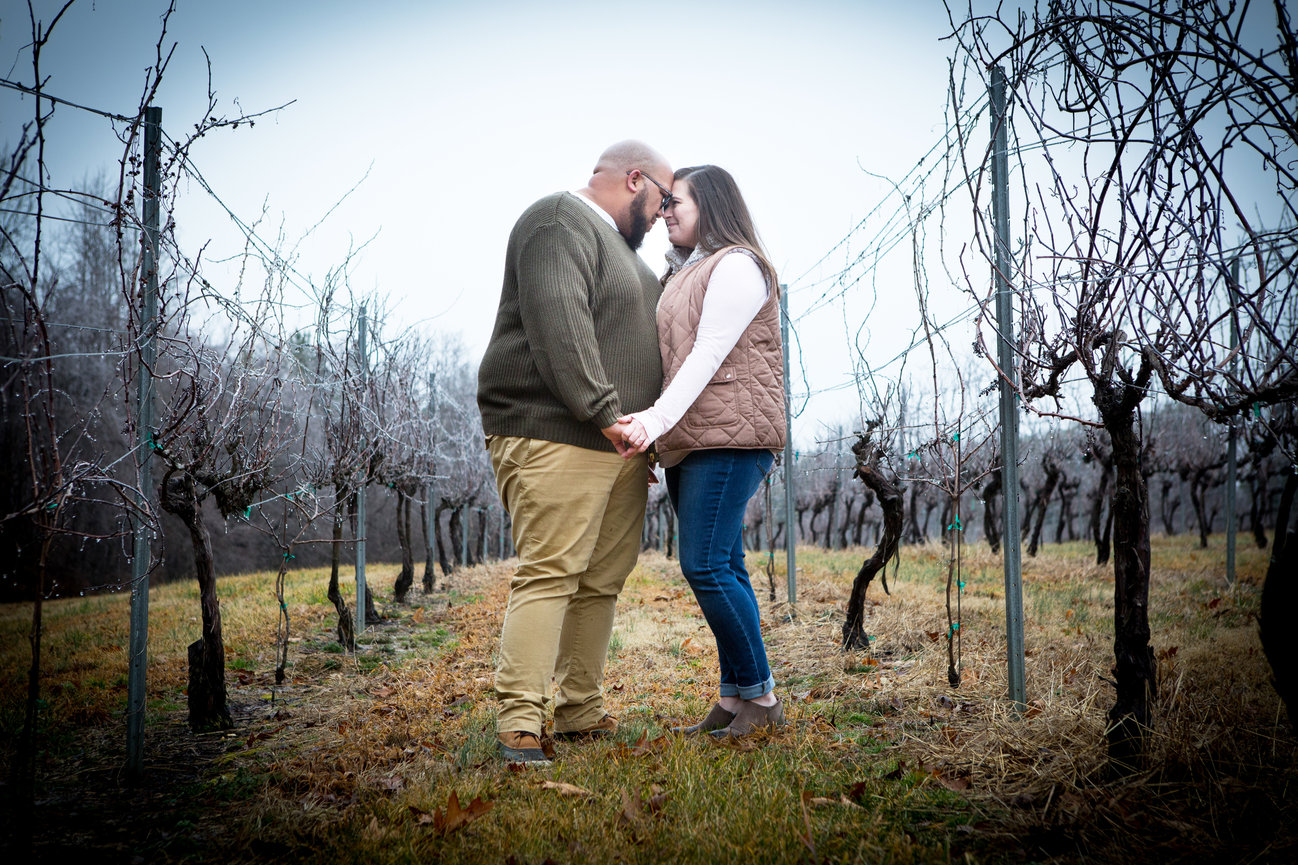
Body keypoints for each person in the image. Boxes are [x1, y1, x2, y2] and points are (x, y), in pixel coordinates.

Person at [477, 140, 674, 765]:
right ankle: (519, 721)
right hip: (558, 430)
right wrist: (601, 412)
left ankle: (580, 708)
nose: (666, 214)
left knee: (601, 581)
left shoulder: (625, 254)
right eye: (664, 200)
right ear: (635, 179)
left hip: (619, 444)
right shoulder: (559, 220)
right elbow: (559, 320)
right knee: (552, 572)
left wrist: (639, 437)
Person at [618, 164, 787, 738]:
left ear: (710, 206)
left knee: (705, 564)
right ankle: (736, 696)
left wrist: (651, 423)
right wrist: (661, 438)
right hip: (695, 438)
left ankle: (762, 700)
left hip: (731, 436)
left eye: (676, 203)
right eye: (664, 205)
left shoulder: (737, 265)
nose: (665, 213)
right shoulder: (685, 271)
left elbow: (708, 353)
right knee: (726, 566)